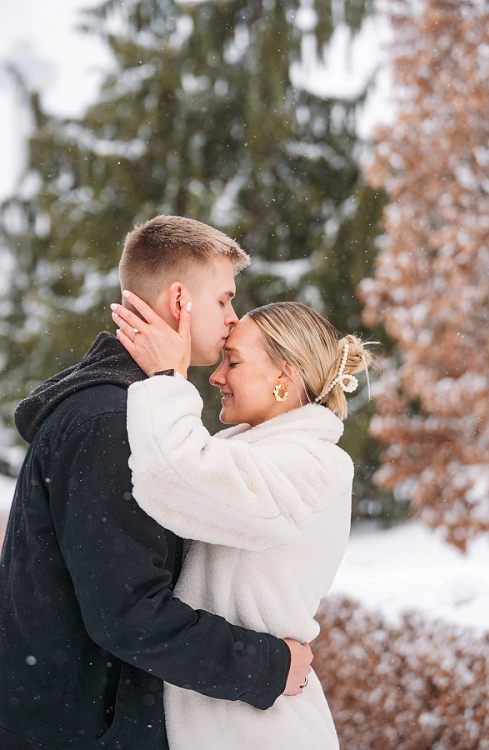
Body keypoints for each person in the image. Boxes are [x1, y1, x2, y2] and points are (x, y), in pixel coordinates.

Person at [0, 216, 312, 750]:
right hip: (80, 731)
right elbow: (128, 615)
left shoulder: (125, 411)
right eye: (224, 300)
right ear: (179, 301)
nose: (233, 319)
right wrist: (268, 665)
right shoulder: (110, 421)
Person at [111, 292, 373, 750]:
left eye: (232, 362)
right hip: (233, 716)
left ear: (284, 378)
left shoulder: (314, 465)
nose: (215, 376)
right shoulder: (258, 456)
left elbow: (176, 477)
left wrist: (168, 377)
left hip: (262, 731)